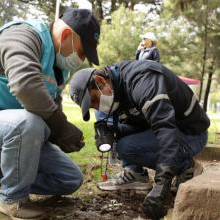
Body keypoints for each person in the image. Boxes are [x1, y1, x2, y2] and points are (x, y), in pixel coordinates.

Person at [0, 8, 100, 220]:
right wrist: (60, 126)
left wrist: (59, 135)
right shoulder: (23, 36)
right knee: (30, 123)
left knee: (70, 179)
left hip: (13, 133)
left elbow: (51, 104)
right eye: (81, 52)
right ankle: (12, 199)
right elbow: (26, 86)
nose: (80, 60)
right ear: (65, 36)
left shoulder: (59, 67)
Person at [69, 60, 210, 219]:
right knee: (124, 145)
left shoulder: (143, 80)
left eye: (93, 100)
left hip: (190, 132)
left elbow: (165, 129)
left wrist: (161, 186)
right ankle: (136, 174)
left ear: (101, 81)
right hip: (168, 130)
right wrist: (112, 130)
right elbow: (140, 125)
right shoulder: (115, 89)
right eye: (91, 106)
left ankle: (186, 167)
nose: (96, 107)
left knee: (127, 147)